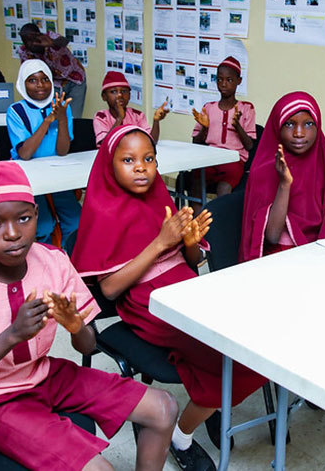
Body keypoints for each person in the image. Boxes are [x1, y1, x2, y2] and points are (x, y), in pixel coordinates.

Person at [0, 161, 177, 471]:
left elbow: (86, 346)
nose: (13, 234)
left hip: (42, 374)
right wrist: (12, 335)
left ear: (36, 216)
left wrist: (76, 326)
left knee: (163, 408)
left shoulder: (53, 260)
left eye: (24, 219)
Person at [72, 125, 267, 471]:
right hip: (149, 305)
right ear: (109, 164)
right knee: (233, 362)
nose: (141, 167)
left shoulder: (158, 193)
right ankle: (184, 432)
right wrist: (161, 243)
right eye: (128, 160)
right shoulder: (103, 210)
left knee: (258, 345)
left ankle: (206, 404)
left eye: (149, 159)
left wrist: (189, 242)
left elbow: (191, 262)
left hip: (190, 290)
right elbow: (110, 290)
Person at [240, 91, 325, 261]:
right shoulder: (264, 170)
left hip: (320, 252)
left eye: (308, 124)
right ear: (277, 127)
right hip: (281, 258)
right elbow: (272, 237)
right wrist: (284, 185)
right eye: (289, 124)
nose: (299, 133)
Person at [7, 60, 81, 246]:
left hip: (55, 173)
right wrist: (48, 120)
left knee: (75, 220)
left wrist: (62, 118)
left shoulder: (62, 106)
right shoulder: (16, 111)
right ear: (23, 84)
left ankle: (65, 258)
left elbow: (63, 151)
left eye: (45, 79)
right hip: (27, 177)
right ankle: (43, 258)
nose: (40, 85)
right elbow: (25, 153)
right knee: (43, 225)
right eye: (32, 80)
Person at [189, 57, 255, 209]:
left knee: (224, 189)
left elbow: (250, 145)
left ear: (239, 81)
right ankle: (198, 230)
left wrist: (237, 125)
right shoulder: (209, 108)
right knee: (196, 186)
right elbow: (196, 143)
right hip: (209, 160)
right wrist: (205, 128)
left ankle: (219, 228)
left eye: (229, 80)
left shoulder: (246, 108)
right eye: (220, 80)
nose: (224, 84)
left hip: (234, 161)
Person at [19, 23, 87, 118]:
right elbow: (28, 73)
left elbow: (65, 41)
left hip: (75, 78)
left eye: (32, 39)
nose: (30, 44)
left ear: (38, 34)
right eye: (26, 41)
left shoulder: (50, 37)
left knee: (74, 116)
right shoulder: (24, 51)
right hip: (54, 83)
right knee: (52, 116)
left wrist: (52, 43)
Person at [93, 71, 167, 147]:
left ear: (129, 95)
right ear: (104, 96)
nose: (119, 95)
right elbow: (105, 146)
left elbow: (151, 142)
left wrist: (156, 121)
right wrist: (119, 119)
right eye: (113, 91)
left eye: (124, 91)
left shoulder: (137, 115)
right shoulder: (101, 117)